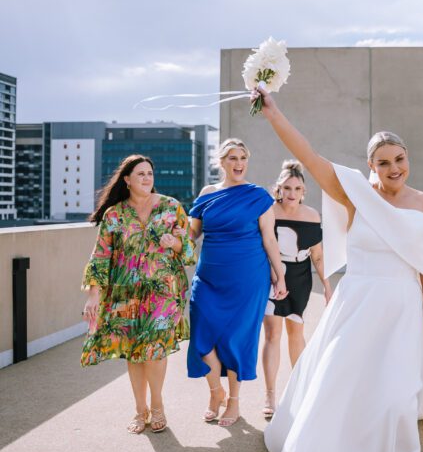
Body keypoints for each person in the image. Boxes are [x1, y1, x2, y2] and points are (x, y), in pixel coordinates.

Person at [252, 87, 423, 452]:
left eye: (399, 158)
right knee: (337, 388)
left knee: (388, 397)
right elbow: (309, 156)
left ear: (409, 159)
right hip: (356, 304)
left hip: (402, 310)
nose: (393, 168)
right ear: (370, 166)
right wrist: (274, 113)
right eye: (383, 161)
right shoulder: (355, 194)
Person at [81, 155, 196, 434]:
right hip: (125, 292)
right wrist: (93, 295)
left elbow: (191, 251)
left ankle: (157, 407)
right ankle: (139, 409)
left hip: (163, 291)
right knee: (135, 351)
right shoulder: (114, 215)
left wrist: (176, 244)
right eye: (140, 174)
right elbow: (101, 256)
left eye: (150, 173)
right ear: (127, 180)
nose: (147, 178)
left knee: (155, 349)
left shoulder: (171, 208)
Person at [187, 138, 287, 428]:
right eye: (232, 158)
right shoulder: (207, 194)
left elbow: (270, 239)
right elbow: (192, 235)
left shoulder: (258, 196)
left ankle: (233, 401)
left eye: (243, 157)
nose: (239, 163)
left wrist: (279, 276)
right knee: (202, 336)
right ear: (221, 162)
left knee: (236, 339)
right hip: (209, 278)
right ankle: (216, 393)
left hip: (248, 278)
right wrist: (172, 242)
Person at [261, 159, 332, 419]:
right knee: (272, 334)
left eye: (297, 189)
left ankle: (298, 389)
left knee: (296, 331)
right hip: (271, 275)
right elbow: (264, 248)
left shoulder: (312, 215)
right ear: (278, 189)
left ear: (303, 191)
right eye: (287, 188)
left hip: (301, 278)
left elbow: (318, 256)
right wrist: (276, 277)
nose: (292, 194)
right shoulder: (268, 211)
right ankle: (270, 394)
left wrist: (327, 285)